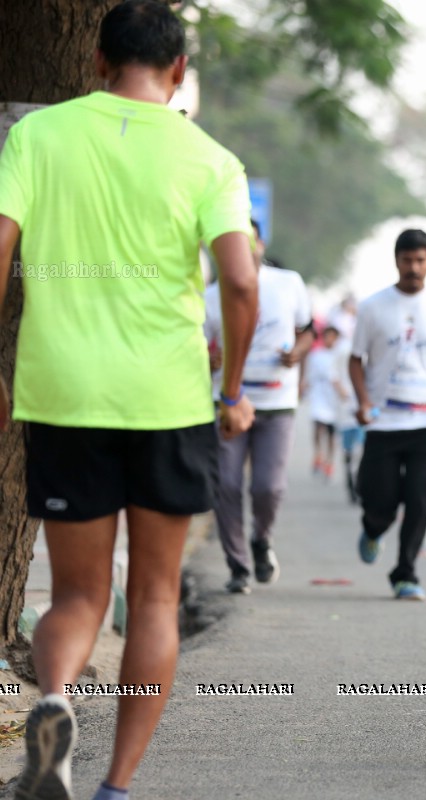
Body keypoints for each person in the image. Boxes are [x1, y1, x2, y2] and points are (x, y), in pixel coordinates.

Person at [0, 3, 258, 799]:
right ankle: (114, 784)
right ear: (180, 70)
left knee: (79, 594)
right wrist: (234, 389)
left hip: (64, 391)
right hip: (168, 400)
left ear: (97, 61)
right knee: (152, 595)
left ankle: (51, 702)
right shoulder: (210, 157)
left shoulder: (36, 138)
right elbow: (242, 283)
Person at [350, 228, 426, 600]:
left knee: (420, 500)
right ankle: (373, 528)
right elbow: (356, 360)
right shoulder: (373, 307)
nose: (414, 267)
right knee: (379, 502)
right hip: (384, 422)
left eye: (421, 260)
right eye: (408, 260)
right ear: (396, 260)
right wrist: (363, 401)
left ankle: (405, 572)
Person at [205, 219, 314, 594]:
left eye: (247, 240)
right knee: (228, 485)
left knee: (269, 487)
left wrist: (296, 354)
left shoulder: (288, 283)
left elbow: (308, 330)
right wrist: (208, 360)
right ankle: (238, 567)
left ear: (261, 243)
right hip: (229, 404)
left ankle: (261, 539)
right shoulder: (209, 296)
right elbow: (197, 347)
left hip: (276, 401)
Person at [305, 325, 348, 480]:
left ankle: (329, 461)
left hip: (334, 398)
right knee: (318, 426)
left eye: (332, 337)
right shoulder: (316, 355)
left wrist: (344, 393)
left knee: (331, 432)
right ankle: (318, 454)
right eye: (327, 336)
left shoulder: (340, 356)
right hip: (319, 394)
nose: (329, 340)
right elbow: (310, 374)